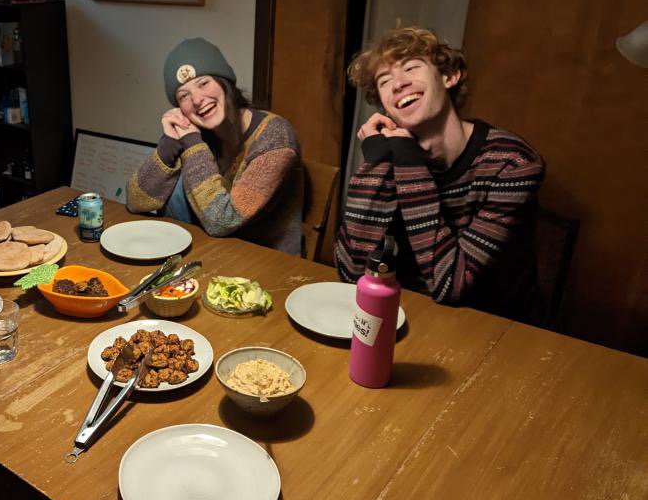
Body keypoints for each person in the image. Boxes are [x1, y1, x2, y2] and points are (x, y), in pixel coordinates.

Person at [336, 27, 546, 322]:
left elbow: (450, 284)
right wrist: (378, 164)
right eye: (384, 81)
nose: (398, 83)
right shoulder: (392, 154)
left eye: (411, 67)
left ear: (450, 77)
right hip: (409, 314)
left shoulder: (512, 163)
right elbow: (351, 272)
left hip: (495, 325)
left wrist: (408, 163)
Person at [127, 38, 303, 255]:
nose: (198, 99)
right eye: (184, 96)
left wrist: (192, 143)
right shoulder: (197, 133)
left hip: (264, 258)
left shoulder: (275, 137)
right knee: (176, 186)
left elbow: (222, 221)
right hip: (211, 250)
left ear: (224, 83)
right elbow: (137, 201)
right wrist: (168, 145)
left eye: (204, 83)